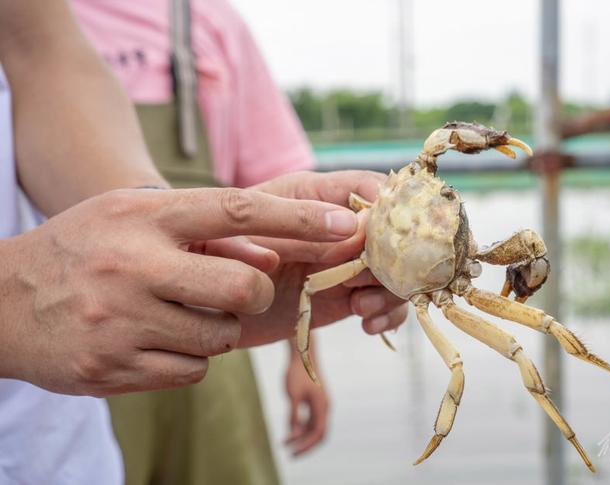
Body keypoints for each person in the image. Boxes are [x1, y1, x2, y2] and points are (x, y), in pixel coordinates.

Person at [0, 1, 406, 483]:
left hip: (75, 401)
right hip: (66, 341)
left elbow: (41, 54)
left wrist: (165, 242)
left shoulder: (213, 23)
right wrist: (15, 303)